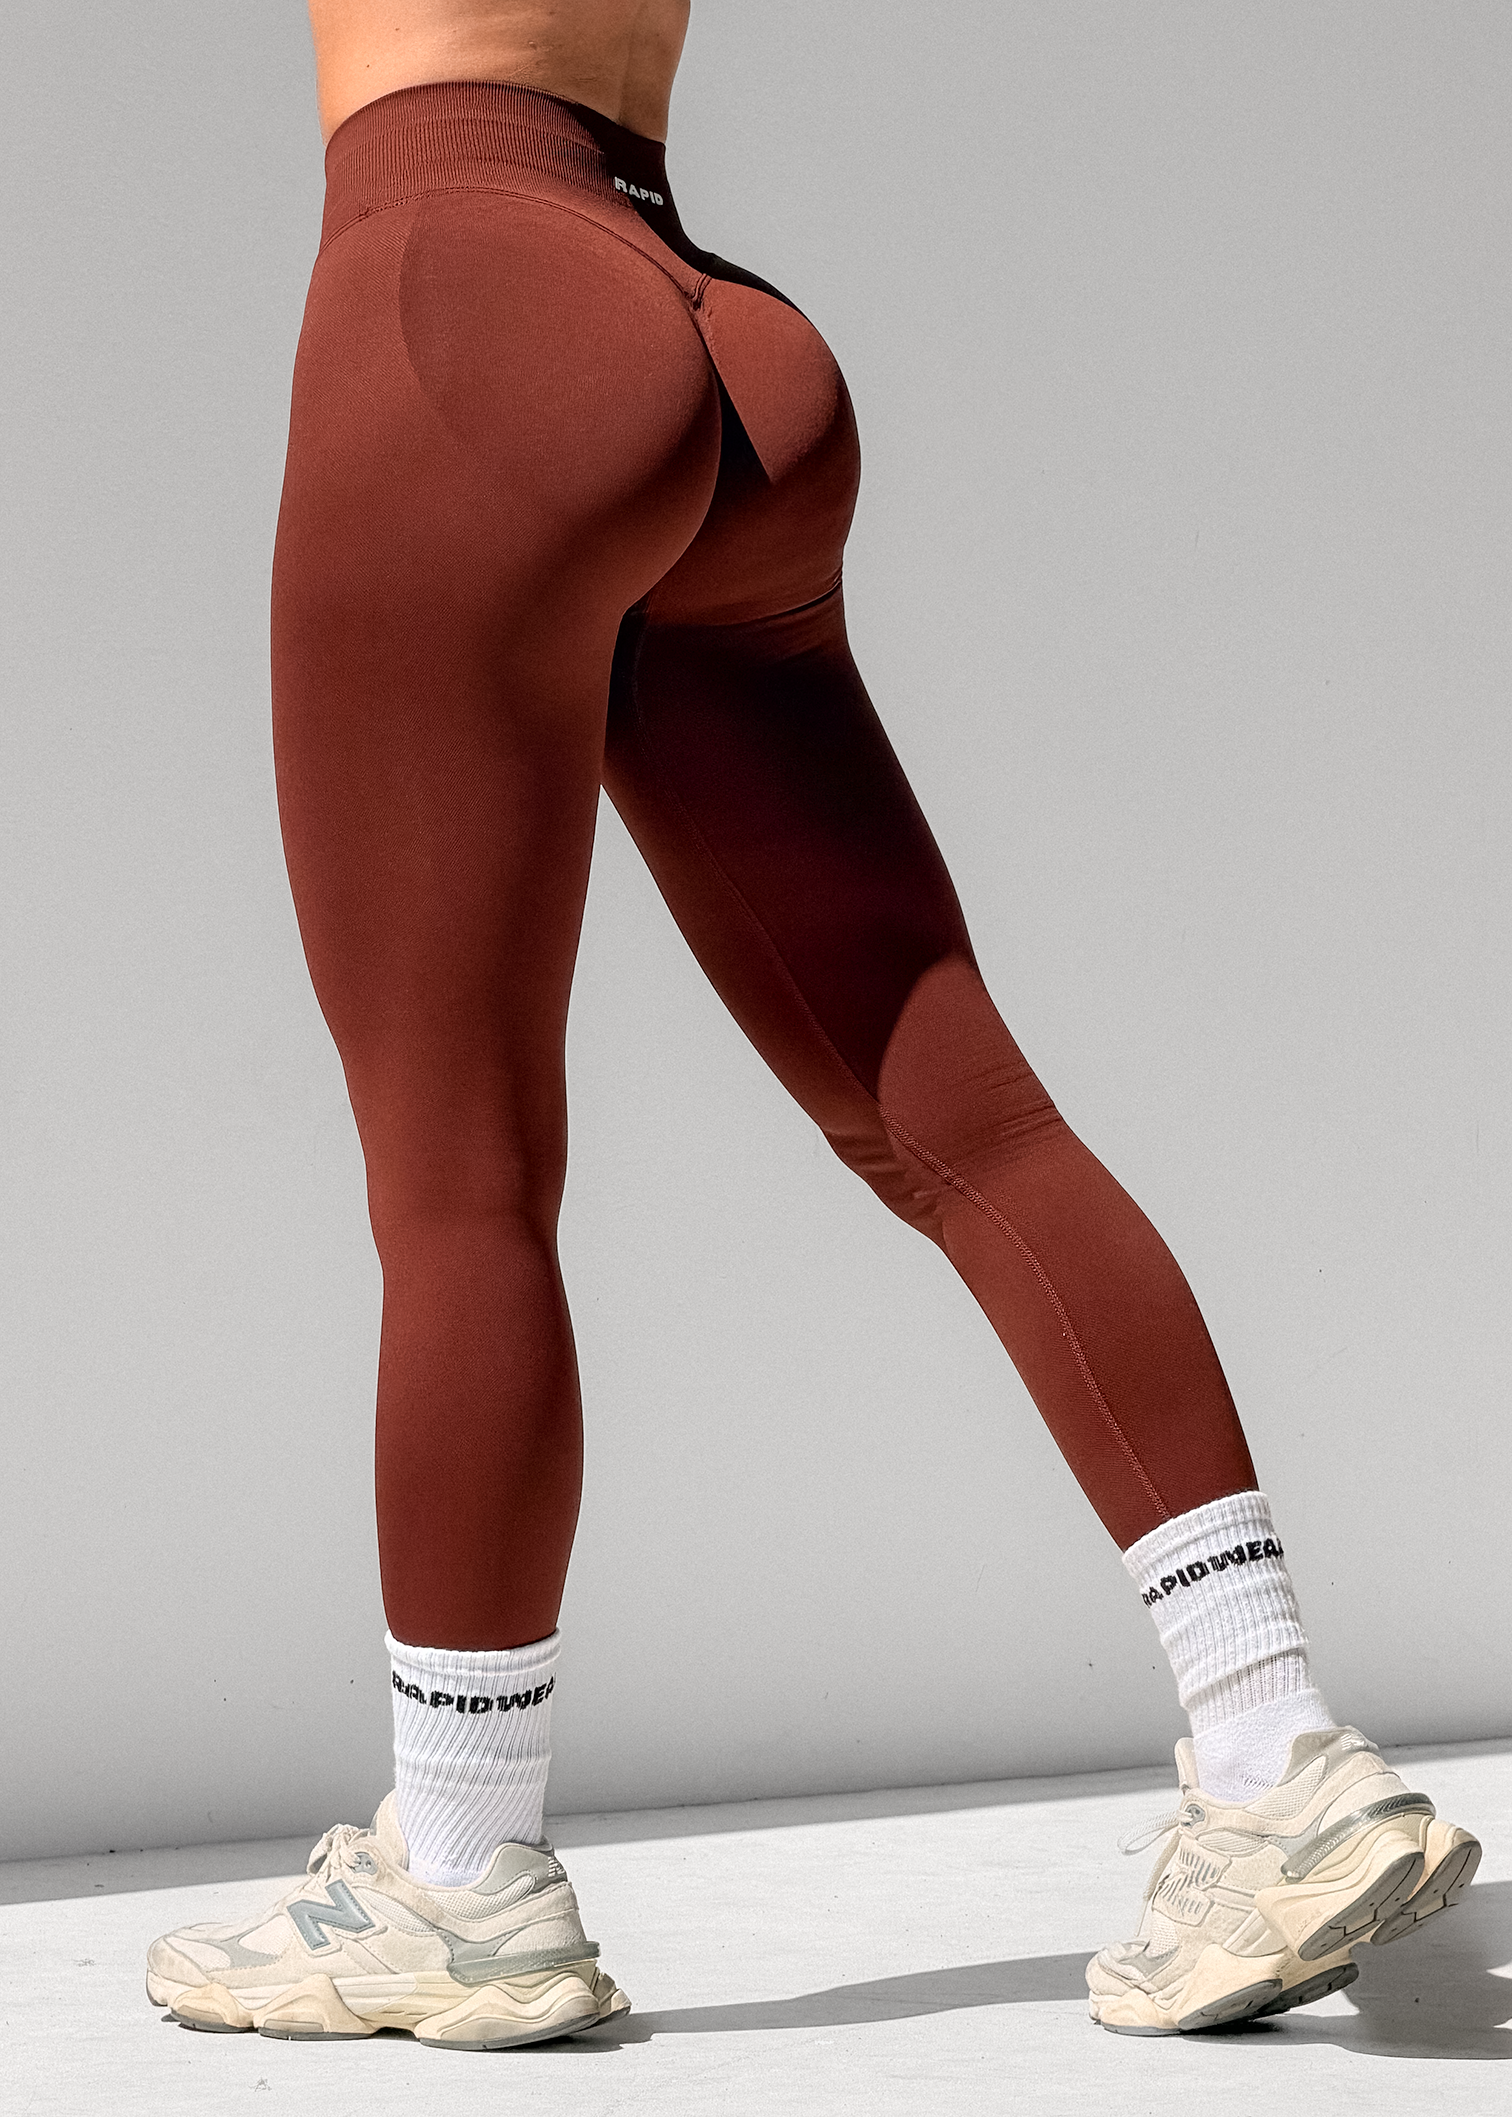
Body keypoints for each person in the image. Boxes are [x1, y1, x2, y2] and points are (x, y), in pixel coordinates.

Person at [147, 0, 1478, 2049]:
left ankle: (460, 1867)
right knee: (968, 1117)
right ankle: (1272, 1749)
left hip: (454, 309)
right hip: (712, 332)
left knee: (458, 1179)